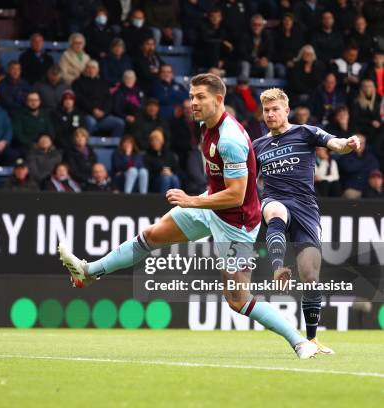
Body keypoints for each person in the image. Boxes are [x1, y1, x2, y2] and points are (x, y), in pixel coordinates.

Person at [58, 73, 320, 359]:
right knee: (150, 236)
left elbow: (236, 195)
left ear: (218, 100)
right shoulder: (205, 125)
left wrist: (192, 200)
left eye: (200, 97)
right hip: (209, 206)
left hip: (237, 223)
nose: (192, 102)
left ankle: (300, 342)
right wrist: (199, 202)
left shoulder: (230, 139)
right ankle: (88, 272)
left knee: (238, 300)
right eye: (192, 96)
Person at [253, 88, 362, 354]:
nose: (270, 114)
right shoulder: (257, 147)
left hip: (305, 209)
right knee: (275, 210)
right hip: (275, 200)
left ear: (286, 110)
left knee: (311, 277)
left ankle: (311, 339)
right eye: (266, 110)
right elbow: (244, 183)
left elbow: (335, 144)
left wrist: (347, 143)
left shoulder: (306, 133)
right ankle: (278, 266)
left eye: (275, 109)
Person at [73, 60, 125, 139]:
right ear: (85, 69)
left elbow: (109, 100)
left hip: (103, 116)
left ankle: (113, 148)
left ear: (97, 70)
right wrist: (93, 110)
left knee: (120, 123)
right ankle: (86, 147)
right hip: (86, 114)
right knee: (91, 122)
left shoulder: (103, 83)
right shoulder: (78, 82)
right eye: (88, 68)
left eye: (93, 68)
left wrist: (104, 112)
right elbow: (80, 99)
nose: (91, 70)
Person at [337, 134, 380, 199]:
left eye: (363, 143)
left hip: (367, 188)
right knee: (350, 195)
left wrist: (358, 166)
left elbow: (375, 166)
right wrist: (365, 165)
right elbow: (348, 169)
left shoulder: (369, 155)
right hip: (352, 188)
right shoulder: (346, 154)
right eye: (359, 143)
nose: (361, 145)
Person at [144, 128, 181, 193]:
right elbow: (148, 174)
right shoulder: (147, 155)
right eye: (153, 141)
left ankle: (177, 201)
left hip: (170, 176)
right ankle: (162, 201)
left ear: (162, 141)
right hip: (155, 181)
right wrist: (160, 172)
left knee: (174, 178)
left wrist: (171, 172)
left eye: (157, 140)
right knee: (166, 179)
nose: (155, 143)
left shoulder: (169, 154)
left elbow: (176, 168)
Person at [239, 14, 274, 79]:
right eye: (254, 24)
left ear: (263, 26)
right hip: (249, 62)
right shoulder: (244, 36)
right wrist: (255, 60)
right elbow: (242, 53)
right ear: (251, 25)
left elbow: (270, 51)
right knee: (245, 64)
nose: (256, 27)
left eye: (259, 25)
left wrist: (266, 58)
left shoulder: (267, 36)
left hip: (261, 63)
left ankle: (269, 88)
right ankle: (244, 87)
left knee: (269, 65)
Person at [272, 13, 305, 79]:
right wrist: (286, 62)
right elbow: (274, 53)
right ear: (282, 22)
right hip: (280, 62)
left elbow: (300, 51)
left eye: (289, 20)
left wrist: (294, 60)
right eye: (285, 20)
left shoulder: (297, 36)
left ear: (292, 22)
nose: (287, 22)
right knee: (282, 71)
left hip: (295, 61)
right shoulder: (276, 35)